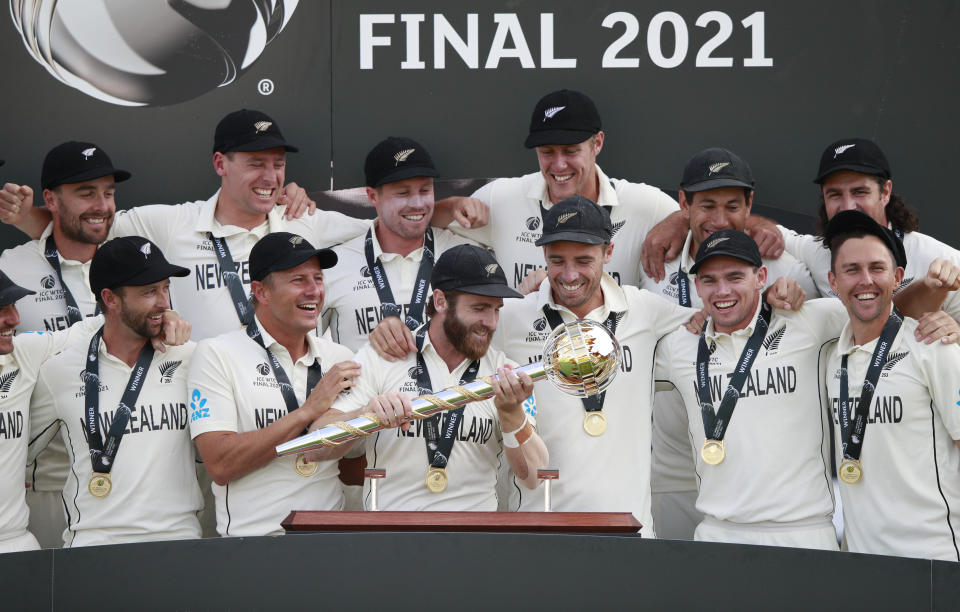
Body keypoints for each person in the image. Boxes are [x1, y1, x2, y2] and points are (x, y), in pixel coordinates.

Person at [643, 147, 817, 540]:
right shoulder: (655, 257)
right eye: (706, 206)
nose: (720, 220)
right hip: (669, 474)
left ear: (750, 204)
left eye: (732, 206)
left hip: (757, 489)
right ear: (683, 203)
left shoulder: (785, 266)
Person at [325, 244, 547, 510]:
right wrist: (365, 414)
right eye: (479, 308)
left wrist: (512, 414)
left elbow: (534, 477)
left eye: (496, 309)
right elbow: (316, 447)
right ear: (440, 301)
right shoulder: (383, 356)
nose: (491, 322)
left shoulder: (506, 373)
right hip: (391, 538)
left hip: (473, 540)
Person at [29, 237, 202, 547]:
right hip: (92, 547)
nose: (164, 302)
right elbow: (15, 451)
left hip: (179, 542)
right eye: (149, 291)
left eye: (165, 287)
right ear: (110, 298)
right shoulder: (60, 370)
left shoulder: (191, 358)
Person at [0, 141, 130, 548]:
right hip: (43, 482)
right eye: (86, 192)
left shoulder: (136, 267)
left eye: (108, 193)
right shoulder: (10, 266)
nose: (102, 205)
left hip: (124, 474)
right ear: (51, 200)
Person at [187, 232, 359, 536]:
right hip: (253, 546)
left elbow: (357, 459)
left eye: (317, 278)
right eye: (298, 280)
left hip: (329, 542)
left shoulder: (340, 358)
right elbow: (220, 464)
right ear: (261, 292)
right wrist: (307, 413)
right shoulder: (216, 353)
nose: (314, 291)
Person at [433, 89, 680, 291]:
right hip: (522, 350)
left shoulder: (646, 204)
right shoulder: (502, 197)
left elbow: (708, 226)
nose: (559, 165)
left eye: (571, 151)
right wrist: (452, 205)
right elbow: (422, 223)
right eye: (547, 152)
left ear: (598, 143)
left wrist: (681, 219)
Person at [823, 210, 960, 561]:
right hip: (861, 561)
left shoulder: (933, 345)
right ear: (833, 281)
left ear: (898, 277)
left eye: (877, 268)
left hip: (934, 558)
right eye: (851, 270)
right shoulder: (831, 357)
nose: (865, 280)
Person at [320, 136, 476, 352]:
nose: (417, 204)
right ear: (373, 196)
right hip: (366, 386)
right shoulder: (334, 264)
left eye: (425, 190)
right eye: (403, 193)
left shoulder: (464, 255)